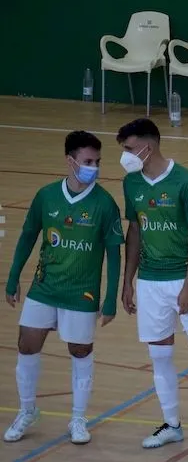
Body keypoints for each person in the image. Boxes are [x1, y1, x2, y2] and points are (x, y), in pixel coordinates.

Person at [117, 118, 188, 454]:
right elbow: (134, 231)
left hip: (186, 278)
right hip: (151, 282)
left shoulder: (186, 181)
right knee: (160, 355)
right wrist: (128, 280)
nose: (124, 156)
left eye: (127, 149)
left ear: (146, 147)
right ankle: (172, 425)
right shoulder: (131, 184)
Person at [3, 131, 124, 445]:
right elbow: (28, 236)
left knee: (80, 350)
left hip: (81, 294)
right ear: (70, 160)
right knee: (27, 343)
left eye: (97, 162)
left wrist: (110, 299)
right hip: (44, 288)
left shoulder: (105, 204)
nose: (93, 167)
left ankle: (78, 419)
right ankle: (27, 411)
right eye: (87, 161)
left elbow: (114, 254)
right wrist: (13, 278)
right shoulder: (46, 196)